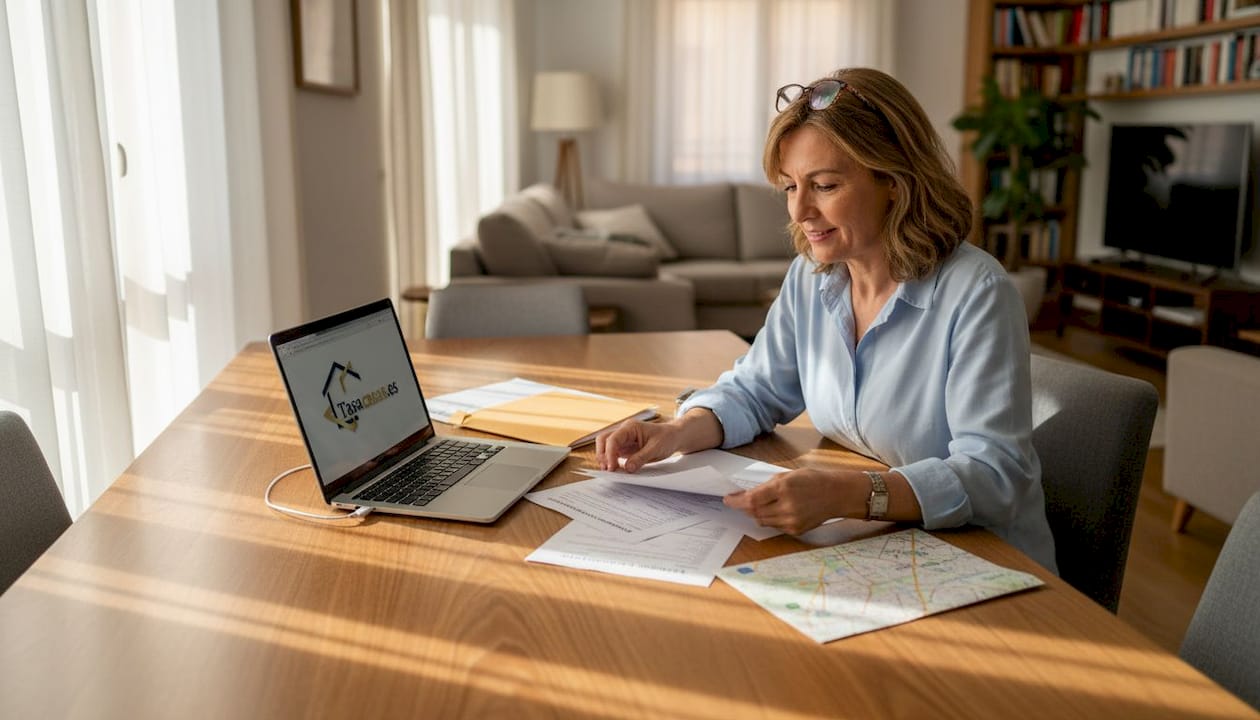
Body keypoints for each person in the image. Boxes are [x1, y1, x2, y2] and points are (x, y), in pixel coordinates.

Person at [594, 67, 1057, 572]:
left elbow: (996, 475)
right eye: (790, 187)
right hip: (881, 545)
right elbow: (756, 390)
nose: (801, 211)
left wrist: (848, 494)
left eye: (825, 185)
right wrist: (680, 431)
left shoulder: (977, 292)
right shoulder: (813, 277)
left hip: (985, 559)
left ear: (895, 181)